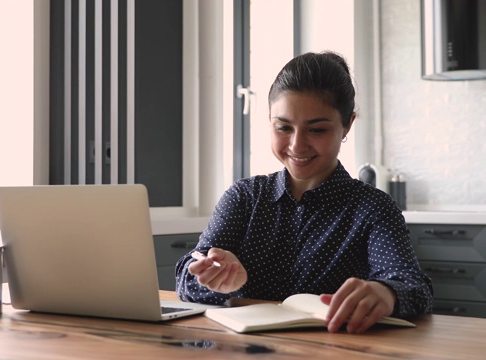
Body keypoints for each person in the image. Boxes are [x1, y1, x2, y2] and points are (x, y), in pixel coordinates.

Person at [175, 51, 433, 334]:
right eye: (283, 127)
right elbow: (186, 279)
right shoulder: (244, 197)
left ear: (348, 124)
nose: (297, 146)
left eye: (317, 130)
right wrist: (213, 277)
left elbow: (414, 286)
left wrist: (387, 293)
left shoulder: (372, 208)